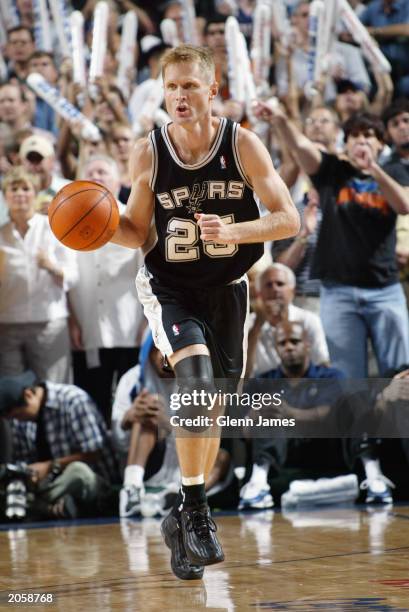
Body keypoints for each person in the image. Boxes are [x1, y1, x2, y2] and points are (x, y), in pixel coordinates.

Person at [109, 45, 299, 580]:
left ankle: (178, 520)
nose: (180, 96)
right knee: (192, 380)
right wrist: (97, 226)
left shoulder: (243, 145)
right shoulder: (148, 152)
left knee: (213, 405)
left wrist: (235, 231)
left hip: (227, 287)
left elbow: (289, 221)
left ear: (212, 91)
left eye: (190, 86)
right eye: (171, 87)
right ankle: (195, 510)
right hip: (168, 285)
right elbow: (134, 230)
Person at [255, 105, 409, 378]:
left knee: (401, 375)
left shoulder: (394, 172)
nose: (362, 140)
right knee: (347, 382)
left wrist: (373, 169)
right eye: (355, 136)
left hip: (384, 290)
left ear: (380, 144)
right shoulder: (332, 171)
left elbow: (404, 205)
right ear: (345, 142)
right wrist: (281, 119)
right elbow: (302, 148)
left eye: (369, 135)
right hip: (339, 292)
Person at [68, 155, 144, 425]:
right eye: (91, 171)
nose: (97, 175)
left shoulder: (134, 217)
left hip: (128, 326)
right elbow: (67, 276)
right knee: (92, 403)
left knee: (131, 403)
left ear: (117, 179)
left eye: (103, 171)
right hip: (88, 327)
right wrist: (72, 320)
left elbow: (150, 274)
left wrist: (147, 322)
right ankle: (99, 461)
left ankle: (130, 463)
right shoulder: (68, 218)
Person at [240, 320, 345, 510]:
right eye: (282, 343)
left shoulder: (330, 377)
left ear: (307, 344)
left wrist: (290, 413)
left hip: (321, 455)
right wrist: (255, 415)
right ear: (276, 349)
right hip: (278, 460)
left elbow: (330, 419)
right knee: (266, 414)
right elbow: (245, 435)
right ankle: (259, 482)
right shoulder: (261, 383)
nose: (288, 347)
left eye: (294, 341)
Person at [0, 371, 119, 520]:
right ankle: (52, 508)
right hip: (50, 486)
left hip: (92, 482)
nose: (17, 421)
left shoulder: (73, 400)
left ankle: (43, 508)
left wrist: (50, 466)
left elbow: (94, 453)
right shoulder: (19, 421)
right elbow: (24, 460)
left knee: (78, 472)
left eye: (17, 415)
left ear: (28, 395)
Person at [0, 166, 77, 382]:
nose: (20, 194)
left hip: (49, 322)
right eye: (13, 189)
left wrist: (52, 266)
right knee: (11, 394)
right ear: (5, 196)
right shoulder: (1, 234)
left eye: (26, 188)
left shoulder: (53, 228)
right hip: (7, 324)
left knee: (53, 388)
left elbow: (73, 276)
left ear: (35, 194)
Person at [246, 264, 329, 376]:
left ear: (292, 291)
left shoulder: (309, 320)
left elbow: (322, 363)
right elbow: (245, 375)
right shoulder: (248, 324)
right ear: (259, 293)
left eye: (280, 284)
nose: (275, 289)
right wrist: (257, 327)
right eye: (268, 285)